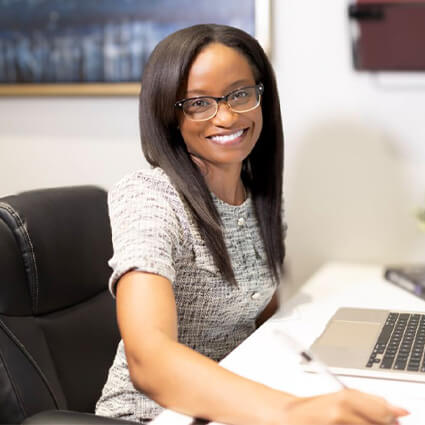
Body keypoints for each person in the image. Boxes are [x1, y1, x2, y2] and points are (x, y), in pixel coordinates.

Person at [96, 24, 408, 425]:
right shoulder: (150, 196)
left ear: (261, 98)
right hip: (155, 415)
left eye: (240, 94)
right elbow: (148, 359)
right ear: (168, 114)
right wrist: (294, 411)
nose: (226, 116)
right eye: (197, 103)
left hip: (237, 400)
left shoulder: (257, 195)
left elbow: (261, 318)